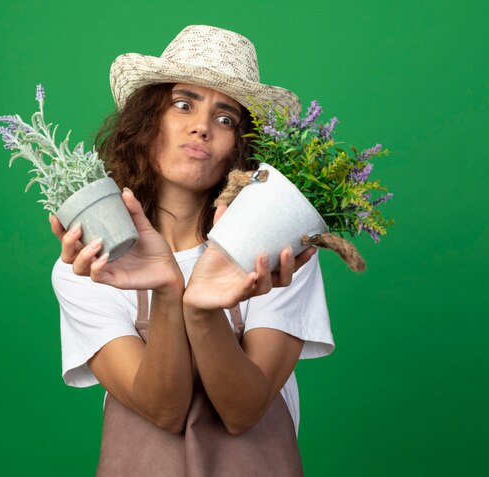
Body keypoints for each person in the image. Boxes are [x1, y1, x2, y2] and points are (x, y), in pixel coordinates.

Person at [49, 25, 334, 476]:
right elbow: (162, 410)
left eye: (226, 119)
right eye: (183, 104)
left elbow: (243, 412)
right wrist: (168, 289)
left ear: (241, 147)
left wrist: (201, 310)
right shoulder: (93, 265)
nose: (202, 126)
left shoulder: (276, 250)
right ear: (147, 123)